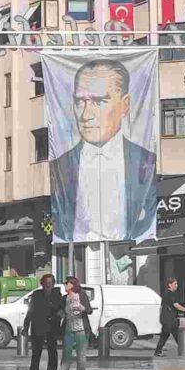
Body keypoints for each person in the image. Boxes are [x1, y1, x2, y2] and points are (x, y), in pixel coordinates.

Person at [50, 59, 157, 243]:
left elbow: (146, 220)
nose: (85, 115)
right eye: (80, 102)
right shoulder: (60, 166)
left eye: (99, 102)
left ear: (125, 105)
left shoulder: (146, 163)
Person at [23, 273, 63, 370]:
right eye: (46, 283)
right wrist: (26, 326)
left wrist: (59, 313)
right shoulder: (36, 294)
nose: (48, 285)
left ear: (53, 284)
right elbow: (30, 311)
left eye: (50, 283)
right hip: (38, 326)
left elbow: (61, 308)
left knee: (52, 352)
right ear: (42, 284)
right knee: (36, 352)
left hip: (52, 327)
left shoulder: (57, 294)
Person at [54, 276, 92, 370]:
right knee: (67, 353)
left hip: (81, 329)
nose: (65, 285)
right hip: (68, 329)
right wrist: (60, 313)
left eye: (67, 283)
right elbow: (59, 311)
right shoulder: (64, 298)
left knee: (81, 354)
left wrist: (82, 308)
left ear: (73, 285)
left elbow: (89, 310)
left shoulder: (81, 296)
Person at [154, 278, 185, 357]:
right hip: (168, 319)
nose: (177, 286)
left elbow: (162, 307)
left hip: (168, 318)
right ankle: (158, 351)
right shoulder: (171, 294)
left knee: (176, 335)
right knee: (165, 335)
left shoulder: (166, 294)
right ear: (170, 285)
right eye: (175, 284)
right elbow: (176, 306)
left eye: (176, 284)